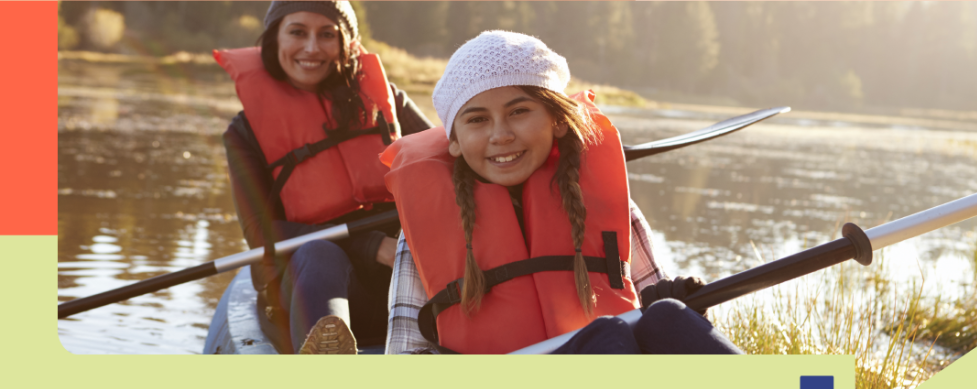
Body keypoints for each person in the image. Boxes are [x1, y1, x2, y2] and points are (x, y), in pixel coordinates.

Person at [382, 31, 743, 355]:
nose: (500, 135)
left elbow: (652, 295)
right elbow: (403, 356)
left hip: (609, 362)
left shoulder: (609, 204)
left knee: (667, 315)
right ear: (455, 141)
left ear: (556, 120)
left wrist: (679, 302)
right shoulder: (422, 228)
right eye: (477, 119)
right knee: (606, 335)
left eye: (519, 111)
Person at [216, 1, 433, 354]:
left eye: (327, 34)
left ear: (347, 43)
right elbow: (261, 231)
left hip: (405, 283)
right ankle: (329, 356)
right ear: (274, 40)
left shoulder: (387, 100)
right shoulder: (244, 132)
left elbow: (448, 169)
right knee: (319, 254)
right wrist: (371, 245)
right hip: (312, 287)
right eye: (298, 32)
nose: (312, 48)